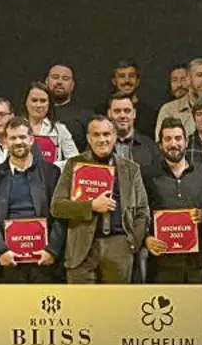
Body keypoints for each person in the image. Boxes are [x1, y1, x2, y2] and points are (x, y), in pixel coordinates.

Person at [51, 115, 150, 284]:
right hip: (81, 248)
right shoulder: (73, 165)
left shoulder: (131, 169)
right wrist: (91, 206)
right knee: (81, 301)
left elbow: (142, 211)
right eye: (96, 135)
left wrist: (132, 243)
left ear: (114, 137)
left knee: (116, 301)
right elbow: (57, 207)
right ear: (88, 138)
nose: (102, 139)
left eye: (106, 134)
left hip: (119, 246)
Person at [0, 117, 64, 282]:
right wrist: (0, 251)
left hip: (45, 259)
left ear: (31, 139)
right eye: (13, 138)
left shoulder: (51, 173)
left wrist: (52, 250)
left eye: (23, 137)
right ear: (5, 142)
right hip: (8, 260)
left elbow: (60, 214)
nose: (18, 142)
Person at [143, 118, 202, 284]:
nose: (173, 144)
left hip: (199, 264)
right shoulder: (147, 175)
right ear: (160, 144)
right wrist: (146, 240)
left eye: (178, 138)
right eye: (167, 139)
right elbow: (139, 214)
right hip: (161, 264)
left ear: (186, 142)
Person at [23, 81, 79, 166]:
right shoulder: (14, 127)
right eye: (34, 100)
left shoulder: (60, 129)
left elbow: (74, 160)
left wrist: (53, 167)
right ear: (26, 102)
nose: (38, 105)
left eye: (43, 101)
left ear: (49, 104)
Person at [106, 94, 161, 172]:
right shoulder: (98, 146)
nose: (122, 115)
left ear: (134, 113)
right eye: (117, 111)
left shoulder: (150, 147)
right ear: (109, 114)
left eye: (127, 111)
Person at [44, 63, 93, 149]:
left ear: (72, 85)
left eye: (65, 78)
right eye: (55, 77)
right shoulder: (34, 112)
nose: (59, 82)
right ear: (46, 81)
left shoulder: (85, 116)